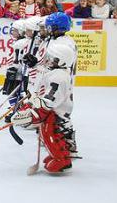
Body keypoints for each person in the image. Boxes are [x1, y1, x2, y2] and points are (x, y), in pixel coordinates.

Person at [11, 43, 76, 173]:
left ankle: (62, 160)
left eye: (51, 58)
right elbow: (43, 74)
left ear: (60, 60)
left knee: (51, 135)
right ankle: (57, 155)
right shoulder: (55, 72)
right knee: (45, 134)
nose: (47, 60)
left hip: (57, 115)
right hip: (52, 112)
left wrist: (35, 112)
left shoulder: (59, 77)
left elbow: (50, 100)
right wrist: (34, 65)